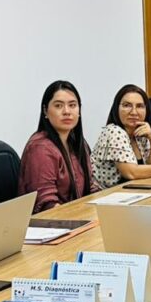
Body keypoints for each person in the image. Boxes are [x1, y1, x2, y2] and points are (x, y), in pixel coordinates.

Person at [18, 80, 100, 213]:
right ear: (45, 110)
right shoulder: (41, 148)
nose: (67, 111)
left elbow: (90, 189)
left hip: (77, 218)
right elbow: (47, 205)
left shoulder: (78, 143)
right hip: (51, 225)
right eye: (58, 106)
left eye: (72, 105)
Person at [92, 84, 151, 189]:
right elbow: (131, 173)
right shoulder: (114, 131)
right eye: (127, 105)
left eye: (139, 106)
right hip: (101, 196)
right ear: (117, 108)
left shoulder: (140, 132)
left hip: (128, 194)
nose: (134, 112)